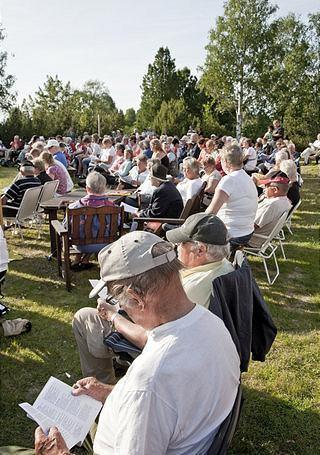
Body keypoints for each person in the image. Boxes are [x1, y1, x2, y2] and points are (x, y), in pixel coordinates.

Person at [45, 230, 240, 455]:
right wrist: (109, 392)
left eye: (119, 302)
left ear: (137, 299)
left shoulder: (149, 383)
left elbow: (151, 395)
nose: (122, 309)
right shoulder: (214, 325)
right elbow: (173, 405)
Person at [206, 144, 258, 248]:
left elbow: (211, 212)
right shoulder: (247, 178)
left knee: (191, 238)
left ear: (225, 162)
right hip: (246, 231)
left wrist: (191, 224)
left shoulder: (228, 180)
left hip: (231, 234)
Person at [67, 172, 116, 271]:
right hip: (105, 243)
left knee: (85, 230)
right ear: (104, 188)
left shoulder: (75, 207)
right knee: (93, 230)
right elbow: (117, 224)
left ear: (87, 188)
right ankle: (84, 260)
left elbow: (66, 226)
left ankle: (79, 259)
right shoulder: (113, 207)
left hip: (80, 245)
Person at [248, 173, 292, 249]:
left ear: (275, 190)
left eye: (266, 187)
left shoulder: (271, 204)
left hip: (252, 240)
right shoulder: (286, 201)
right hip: (262, 239)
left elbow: (252, 226)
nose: (264, 189)